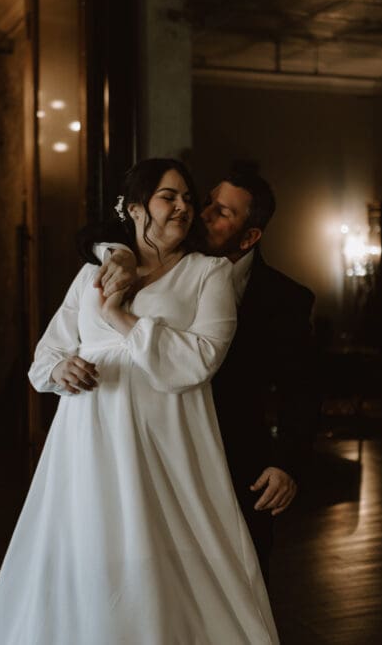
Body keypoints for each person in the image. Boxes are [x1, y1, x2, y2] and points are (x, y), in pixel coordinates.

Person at [0, 159, 279, 644]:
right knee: (92, 549)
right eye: (170, 196)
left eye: (188, 197)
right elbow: (44, 358)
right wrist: (61, 369)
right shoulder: (92, 274)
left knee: (164, 558)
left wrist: (120, 317)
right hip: (88, 441)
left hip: (166, 440)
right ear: (137, 209)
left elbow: (200, 361)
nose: (184, 207)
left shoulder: (209, 275)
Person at [91, 166, 318, 583]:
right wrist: (117, 252)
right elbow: (107, 231)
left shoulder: (286, 300)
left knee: (240, 575)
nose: (203, 214)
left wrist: (286, 464)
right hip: (159, 443)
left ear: (249, 237)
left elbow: (300, 387)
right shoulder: (155, 262)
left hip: (235, 455)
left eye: (223, 213)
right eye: (207, 202)